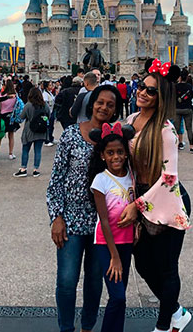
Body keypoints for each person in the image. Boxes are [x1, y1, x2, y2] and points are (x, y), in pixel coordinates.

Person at [118, 58, 192, 332]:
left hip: (167, 200)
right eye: (141, 86)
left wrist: (137, 206)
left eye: (150, 90)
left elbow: (169, 178)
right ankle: (175, 311)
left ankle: (164, 327)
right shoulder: (131, 120)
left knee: (166, 267)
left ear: (161, 97)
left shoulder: (166, 131)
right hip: (141, 197)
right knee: (143, 265)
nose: (142, 92)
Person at [47, 84, 122, 332]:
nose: (104, 108)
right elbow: (56, 179)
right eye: (100, 102)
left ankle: (87, 327)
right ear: (92, 103)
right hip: (71, 220)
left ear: (115, 110)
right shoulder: (70, 135)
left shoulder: (115, 140)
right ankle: (66, 328)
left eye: (110, 105)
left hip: (102, 224)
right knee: (67, 281)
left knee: (94, 282)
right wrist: (56, 217)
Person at [88, 122, 136, 332]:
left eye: (120, 152)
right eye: (110, 153)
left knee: (121, 298)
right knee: (117, 296)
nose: (116, 157)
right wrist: (114, 256)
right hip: (106, 244)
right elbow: (104, 220)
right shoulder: (101, 181)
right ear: (102, 156)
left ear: (126, 153)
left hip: (127, 242)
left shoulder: (132, 176)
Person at [14, 87, 49, 178]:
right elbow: (49, 114)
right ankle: (36, 170)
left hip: (29, 130)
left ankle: (23, 169)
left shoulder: (28, 105)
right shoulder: (44, 105)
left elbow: (21, 116)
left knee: (25, 149)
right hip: (41, 130)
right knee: (38, 151)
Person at [0, 78, 20, 160]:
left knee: (0, 135)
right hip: (11, 116)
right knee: (11, 135)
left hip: (2, 115)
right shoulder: (15, 95)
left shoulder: (1, 94)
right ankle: (10, 153)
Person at [174, 71, 193, 153]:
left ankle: (175, 145)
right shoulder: (189, 86)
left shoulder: (176, 86)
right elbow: (191, 96)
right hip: (187, 108)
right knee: (189, 128)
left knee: (176, 129)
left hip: (177, 108)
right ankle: (191, 146)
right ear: (186, 77)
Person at [42, 80, 56, 147]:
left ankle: (51, 138)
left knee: (51, 126)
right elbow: (45, 104)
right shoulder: (45, 94)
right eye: (50, 85)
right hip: (47, 113)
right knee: (48, 126)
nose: (51, 86)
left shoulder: (50, 93)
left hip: (51, 111)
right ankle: (47, 140)